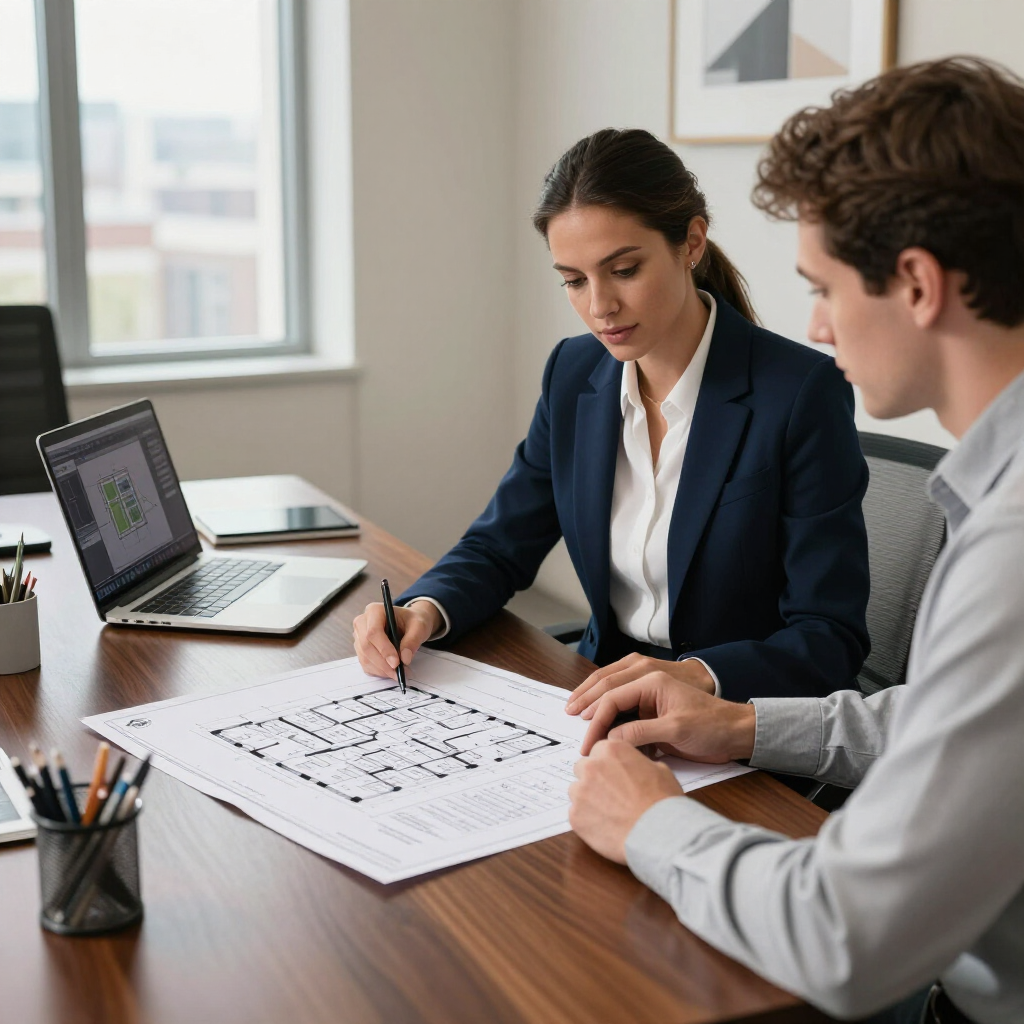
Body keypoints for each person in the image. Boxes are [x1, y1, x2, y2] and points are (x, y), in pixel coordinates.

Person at [568, 58, 1024, 1024]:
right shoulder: (995, 497)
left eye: (821, 287)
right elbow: (964, 723)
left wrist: (652, 825)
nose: (814, 325)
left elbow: (845, 937)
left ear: (916, 284)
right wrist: (744, 725)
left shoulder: (1010, 544)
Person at [354, 128, 870, 704]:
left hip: (734, 713)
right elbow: (500, 544)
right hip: (597, 690)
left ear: (692, 242)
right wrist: (421, 608)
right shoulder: (574, 373)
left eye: (624, 270)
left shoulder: (799, 393)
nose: (599, 307)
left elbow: (830, 639)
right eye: (573, 281)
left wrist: (698, 675)